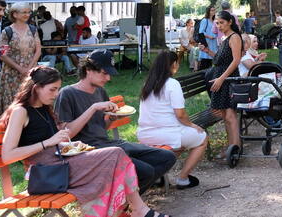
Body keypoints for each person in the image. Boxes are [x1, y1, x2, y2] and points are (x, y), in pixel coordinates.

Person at [1, 67, 171, 217]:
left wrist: (64, 144)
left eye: (58, 89)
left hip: (60, 162)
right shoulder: (20, 112)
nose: (56, 94)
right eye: (52, 90)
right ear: (36, 88)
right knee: (114, 154)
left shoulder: (44, 108)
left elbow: (54, 139)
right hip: (45, 172)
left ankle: (132, 210)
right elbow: (8, 156)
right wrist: (48, 142)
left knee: (115, 154)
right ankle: (130, 211)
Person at [55, 49, 176, 193]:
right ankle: (122, 204)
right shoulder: (67, 93)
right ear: (88, 70)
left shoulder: (100, 91)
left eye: (109, 74)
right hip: (88, 151)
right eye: (104, 73)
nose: (108, 78)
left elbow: (100, 127)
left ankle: (123, 200)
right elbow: (65, 134)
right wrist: (92, 108)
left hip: (109, 144)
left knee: (167, 157)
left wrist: (111, 119)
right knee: (146, 172)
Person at [137, 51, 208, 189]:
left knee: (178, 144)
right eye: (177, 63)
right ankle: (183, 179)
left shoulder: (148, 83)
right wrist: (193, 125)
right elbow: (180, 114)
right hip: (167, 134)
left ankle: (157, 175)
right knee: (202, 138)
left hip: (145, 134)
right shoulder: (172, 84)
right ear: (173, 64)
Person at [198, 11, 242, 157]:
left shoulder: (234, 37)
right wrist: (207, 51)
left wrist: (222, 78)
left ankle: (235, 149)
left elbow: (236, 61)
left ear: (230, 22)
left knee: (230, 116)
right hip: (221, 79)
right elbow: (219, 59)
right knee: (225, 116)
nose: (219, 25)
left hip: (228, 80)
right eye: (217, 23)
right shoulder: (224, 38)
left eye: (222, 22)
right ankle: (231, 148)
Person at [0, 3, 41, 113]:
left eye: (29, 12)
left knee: (29, 98)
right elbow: (3, 54)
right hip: (11, 73)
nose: (27, 14)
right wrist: (20, 69)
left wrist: (29, 68)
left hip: (30, 72)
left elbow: (38, 50)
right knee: (13, 101)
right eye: (24, 12)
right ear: (15, 14)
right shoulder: (7, 31)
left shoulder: (33, 29)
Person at [197, 6, 217, 70]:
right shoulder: (205, 20)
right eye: (212, 10)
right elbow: (201, 32)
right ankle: (202, 76)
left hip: (213, 43)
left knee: (210, 61)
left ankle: (208, 76)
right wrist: (209, 36)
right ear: (208, 11)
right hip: (207, 42)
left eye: (214, 10)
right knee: (205, 61)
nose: (213, 11)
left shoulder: (214, 21)